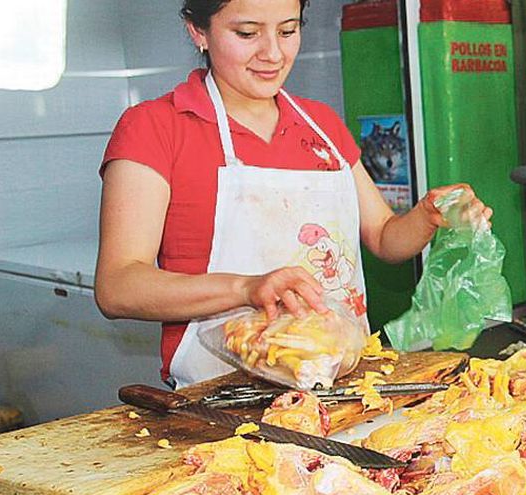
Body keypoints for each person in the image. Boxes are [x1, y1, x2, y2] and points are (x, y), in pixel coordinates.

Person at [94, 0, 493, 388]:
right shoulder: (155, 128)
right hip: (223, 397)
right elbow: (118, 286)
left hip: (344, 386)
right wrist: (245, 288)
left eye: (288, 30)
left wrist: (427, 216)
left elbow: (385, 237)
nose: (273, 53)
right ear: (198, 31)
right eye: (247, 33)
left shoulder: (321, 124)